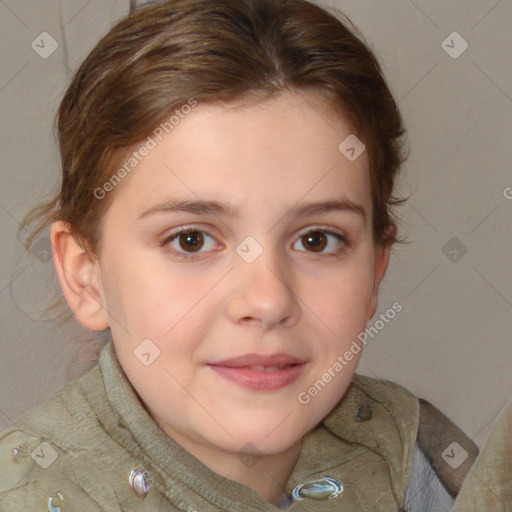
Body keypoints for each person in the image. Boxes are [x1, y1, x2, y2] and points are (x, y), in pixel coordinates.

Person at [0, 0, 487, 510]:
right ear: (86, 277)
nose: (268, 300)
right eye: (191, 240)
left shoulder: (421, 464)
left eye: (317, 240)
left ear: (375, 269)